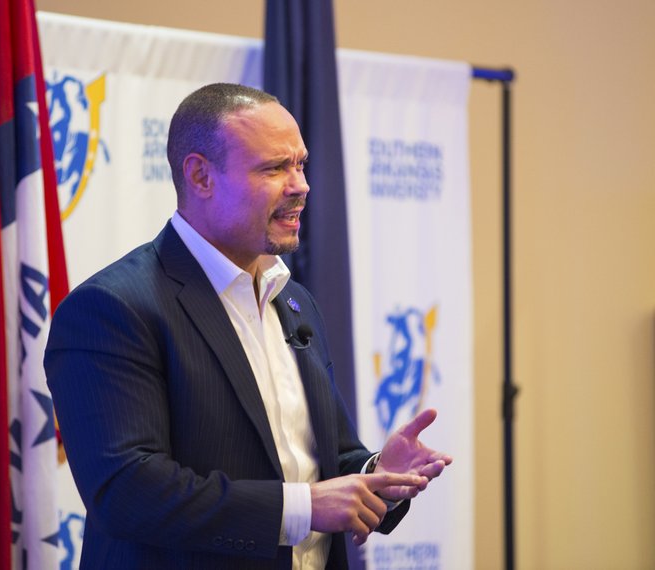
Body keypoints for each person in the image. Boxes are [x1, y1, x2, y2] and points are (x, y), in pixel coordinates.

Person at [44, 83, 452, 569]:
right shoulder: (113, 308)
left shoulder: (294, 301)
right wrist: (302, 508)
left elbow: (323, 459)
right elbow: (127, 490)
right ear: (200, 176)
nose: (300, 184)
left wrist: (377, 474)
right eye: (275, 167)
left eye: (300, 164)